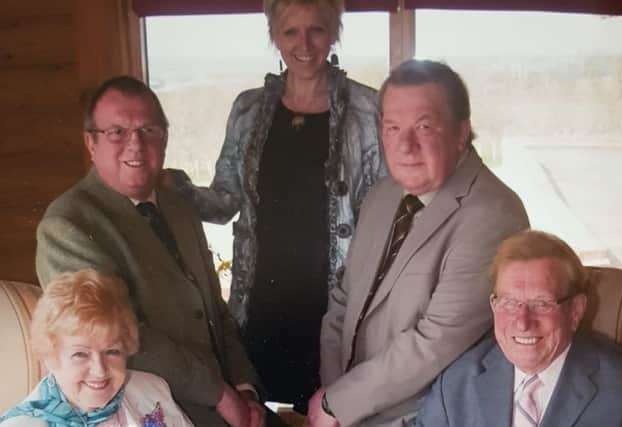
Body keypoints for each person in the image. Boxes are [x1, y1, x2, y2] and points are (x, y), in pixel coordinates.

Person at [167, 0, 385, 412]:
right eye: (290, 32)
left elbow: (383, 210)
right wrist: (175, 188)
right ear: (274, 37)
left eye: (316, 30)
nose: (304, 43)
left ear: (334, 32)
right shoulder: (248, 109)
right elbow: (225, 201)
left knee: (330, 411)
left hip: (334, 305)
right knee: (259, 413)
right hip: (262, 303)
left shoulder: (368, 109)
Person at [311, 59, 530, 427]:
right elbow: (343, 302)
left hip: (426, 417)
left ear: (462, 132)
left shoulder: (494, 215)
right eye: (392, 127)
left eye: (424, 127)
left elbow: (434, 343)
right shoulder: (382, 196)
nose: (405, 145)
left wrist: (339, 403)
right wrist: (337, 399)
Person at [35, 76, 264, 427]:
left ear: (165, 139)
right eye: (117, 132)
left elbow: (214, 312)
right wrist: (220, 394)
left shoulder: (180, 209)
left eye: (149, 131)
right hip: (149, 413)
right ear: (91, 143)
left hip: (227, 406)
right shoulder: (68, 225)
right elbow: (120, 339)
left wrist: (246, 389)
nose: (135, 145)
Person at [414, 230, 622, 427]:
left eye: (541, 304)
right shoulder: (456, 384)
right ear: (493, 306)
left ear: (576, 310)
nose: (523, 322)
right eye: (509, 303)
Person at [0, 269, 194, 427]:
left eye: (112, 351)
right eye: (80, 354)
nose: (100, 370)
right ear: (51, 356)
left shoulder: (153, 389)